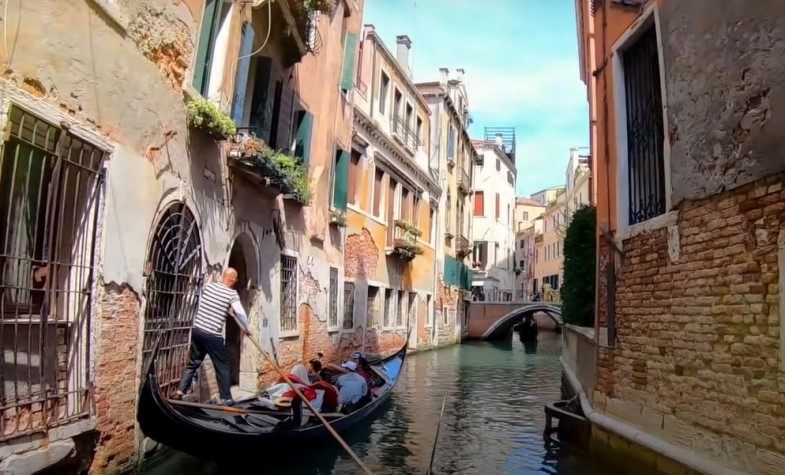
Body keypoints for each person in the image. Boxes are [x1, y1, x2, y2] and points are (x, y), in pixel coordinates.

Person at [176, 267, 250, 404]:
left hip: (198, 330)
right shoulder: (232, 294)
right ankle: (226, 398)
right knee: (223, 366)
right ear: (233, 280)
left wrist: (225, 310)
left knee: (193, 363)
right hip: (212, 336)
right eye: (235, 280)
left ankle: (181, 390)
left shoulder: (209, 286)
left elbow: (211, 304)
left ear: (222, 276)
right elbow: (240, 313)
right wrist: (246, 328)